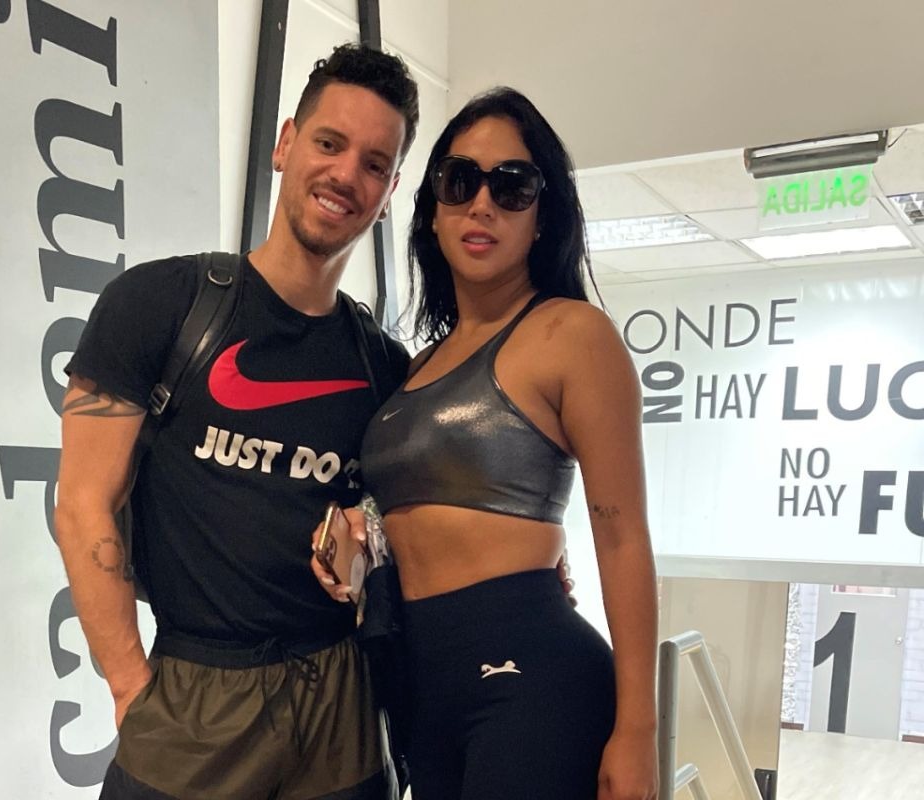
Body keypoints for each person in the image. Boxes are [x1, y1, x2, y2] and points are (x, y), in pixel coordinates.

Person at [55, 44, 419, 800]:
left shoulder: (385, 364)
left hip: (341, 708)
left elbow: (409, 516)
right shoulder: (160, 304)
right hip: (195, 698)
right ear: (285, 144)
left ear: (389, 192)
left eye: (374, 164)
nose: (346, 175)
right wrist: (129, 686)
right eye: (329, 143)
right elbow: (83, 501)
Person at [313, 87, 659, 800]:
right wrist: (358, 532)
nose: (482, 205)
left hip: (533, 685)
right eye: (460, 181)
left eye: (512, 186)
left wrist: (638, 729)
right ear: (433, 209)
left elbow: (624, 538)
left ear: (542, 215)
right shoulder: (415, 367)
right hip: (420, 688)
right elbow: (413, 514)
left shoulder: (572, 335)